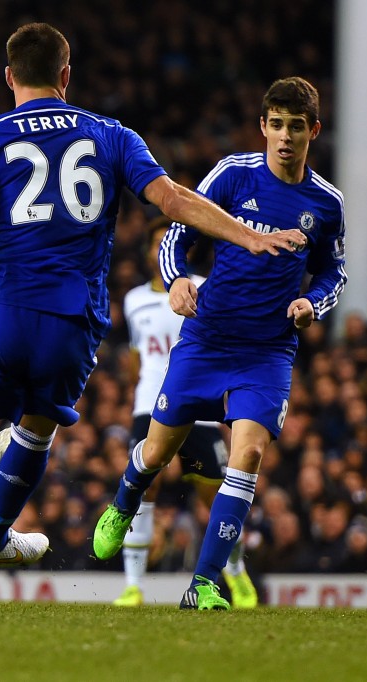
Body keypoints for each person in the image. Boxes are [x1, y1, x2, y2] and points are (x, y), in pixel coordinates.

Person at [0, 23, 303, 611]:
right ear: (66, 74)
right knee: (35, 429)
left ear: (9, 76)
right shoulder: (111, 135)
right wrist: (247, 235)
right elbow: (173, 200)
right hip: (72, 319)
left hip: (1, 309)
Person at [93, 76, 348, 610]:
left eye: (295, 127)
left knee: (247, 453)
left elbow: (334, 273)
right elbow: (177, 236)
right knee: (158, 451)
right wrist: (180, 278)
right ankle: (124, 499)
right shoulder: (233, 175)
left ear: (313, 132)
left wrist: (312, 303)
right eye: (275, 125)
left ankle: (204, 583)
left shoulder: (326, 203)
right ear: (262, 126)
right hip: (207, 339)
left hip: (267, 352)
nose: (284, 136)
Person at [113, 216, 257, 608]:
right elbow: (135, 358)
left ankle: (236, 574)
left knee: (215, 494)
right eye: (155, 243)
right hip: (149, 404)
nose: (161, 249)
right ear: (149, 251)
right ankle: (133, 585)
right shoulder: (133, 300)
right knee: (146, 485)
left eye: (168, 243)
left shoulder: (204, 288)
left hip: (200, 404)